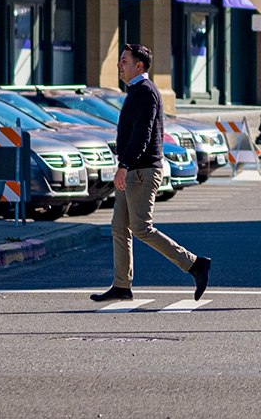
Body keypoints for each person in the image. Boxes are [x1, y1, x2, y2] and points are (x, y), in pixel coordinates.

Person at [90, 44, 211, 303]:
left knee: (141, 228)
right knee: (119, 228)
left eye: (124, 60)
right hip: (133, 170)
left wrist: (124, 165)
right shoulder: (136, 91)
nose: (119, 65)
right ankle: (122, 286)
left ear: (139, 66)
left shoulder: (145, 92)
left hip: (142, 172)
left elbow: (142, 136)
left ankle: (194, 264)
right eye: (120, 60)